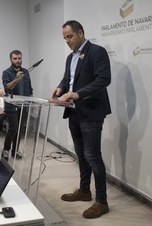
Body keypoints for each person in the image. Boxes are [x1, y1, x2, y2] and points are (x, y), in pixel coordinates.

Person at [51, 20, 111, 219]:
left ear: (81, 33)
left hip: (92, 112)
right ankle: (85, 191)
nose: (67, 41)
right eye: (64, 38)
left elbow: (103, 79)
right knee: (81, 154)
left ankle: (102, 202)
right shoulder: (70, 57)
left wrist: (77, 94)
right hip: (74, 112)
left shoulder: (97, 51)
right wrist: (60, 88)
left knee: (93, 155)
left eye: (70, 36)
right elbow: (68, 79)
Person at [1, 50, 33, 160]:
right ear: (11, 59)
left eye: (19, 58)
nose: (17, 60)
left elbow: (29, 87)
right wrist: (16, 79)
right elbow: (7, 87)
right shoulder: (6, 72)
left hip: (24, 106)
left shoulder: (26, 72)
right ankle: (6, 150)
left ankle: (15, 151)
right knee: (13, 128)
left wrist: (31, 102)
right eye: (15, 58)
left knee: (19, 129)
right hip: (11, 106)